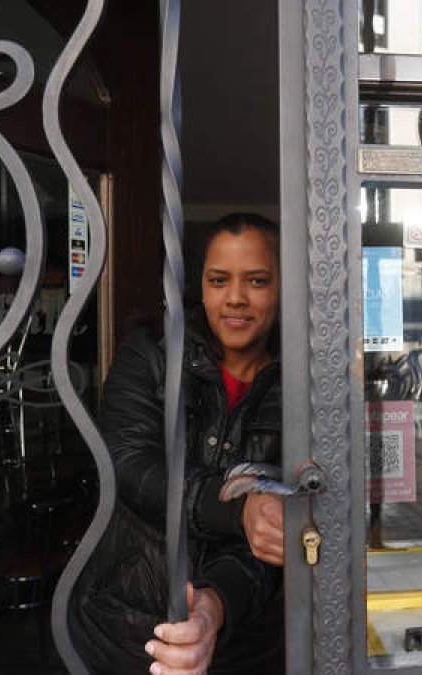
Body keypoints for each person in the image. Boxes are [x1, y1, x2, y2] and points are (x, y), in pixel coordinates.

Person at [73, 213, 285, 674]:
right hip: (127, 628)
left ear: (283, 285)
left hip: (246, 642)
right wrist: (237, 508)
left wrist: (216, 604)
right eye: (218, 280)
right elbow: (128, 464)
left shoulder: (301, 381)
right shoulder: (150, 354)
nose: (236, 297)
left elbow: (285, 531)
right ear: (199, 286)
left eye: (257, 280)